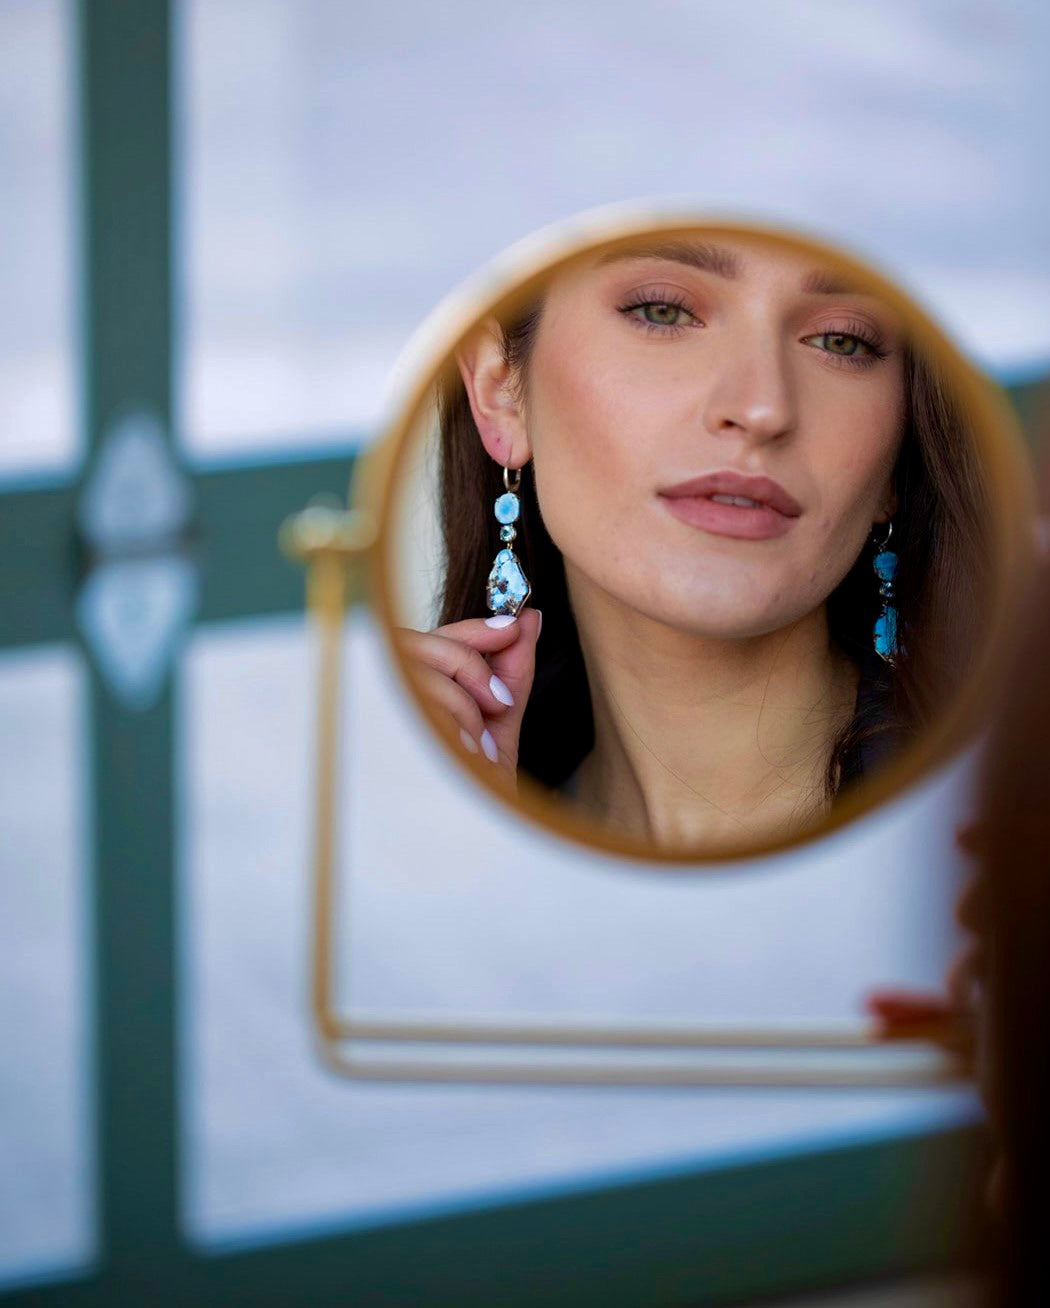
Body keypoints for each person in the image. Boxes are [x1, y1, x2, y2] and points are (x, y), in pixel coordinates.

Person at [396, 228, 992, 852]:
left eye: (840, 340)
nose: (761, 408)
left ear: (892, 468)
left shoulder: (1003, 827)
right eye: (663, 310)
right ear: (500, 392)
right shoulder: (459, 838)